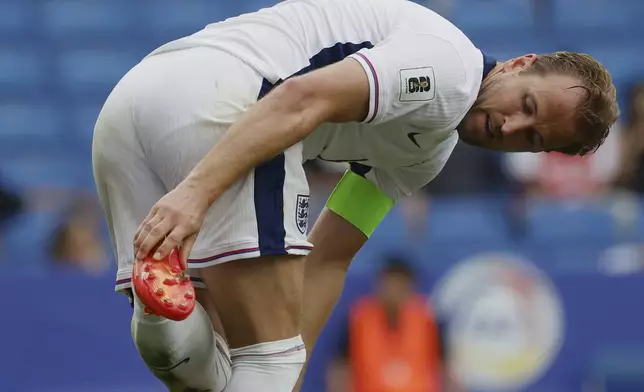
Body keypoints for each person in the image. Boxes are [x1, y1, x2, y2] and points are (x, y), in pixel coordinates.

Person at [92, 0, 619, 390]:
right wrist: (195, 194)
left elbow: (330, 257)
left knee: (212, 370)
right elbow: (299, 96)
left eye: (532, 137)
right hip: (222, 101)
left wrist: (288, 375)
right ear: (518, 62)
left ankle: (156, 308)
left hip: (130, 105)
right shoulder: (451, 75)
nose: (511, 128)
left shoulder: (426, 152)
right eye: (526, 104)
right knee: (268, 363)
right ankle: (165, 311)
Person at [328, 256, 448, 392]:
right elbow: (340, 367)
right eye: (390, 282)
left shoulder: (428, 318)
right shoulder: (359, 318)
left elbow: (444, 367)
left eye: (400, 283)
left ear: (410, 286)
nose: (394, 290)